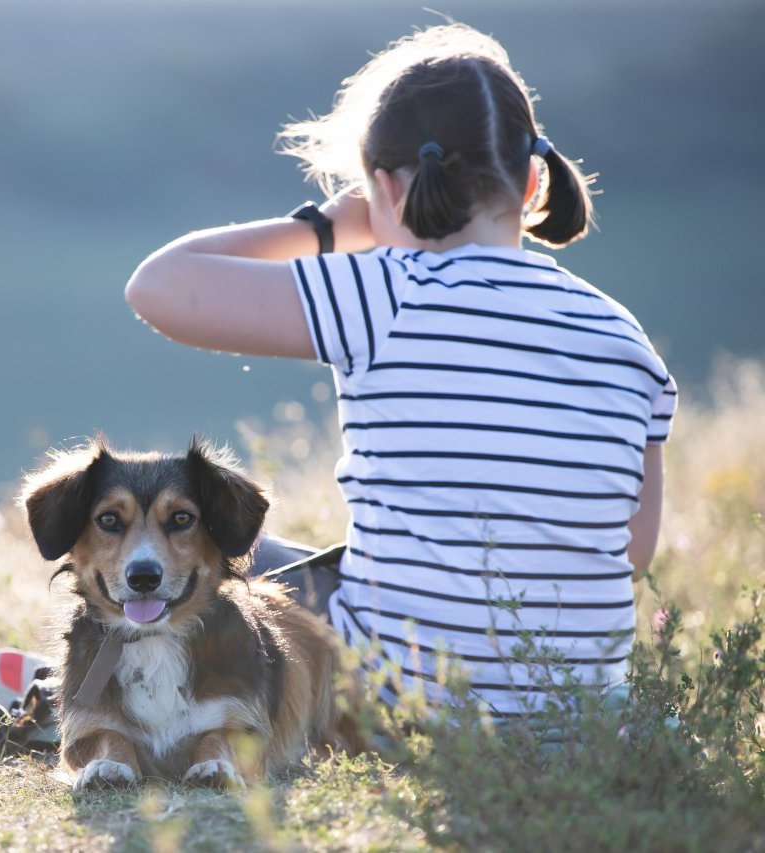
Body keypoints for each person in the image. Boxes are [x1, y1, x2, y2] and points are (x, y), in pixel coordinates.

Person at [123, 23, 677, 718]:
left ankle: (107, 697)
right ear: (534, 180)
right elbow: (632, 553)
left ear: (382, 188)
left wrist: (324, 228)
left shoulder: (384, 289)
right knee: (307, 561)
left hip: (400, 711)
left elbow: (157, 286)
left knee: (201, 537)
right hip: (583, 723)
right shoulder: (626, 339)